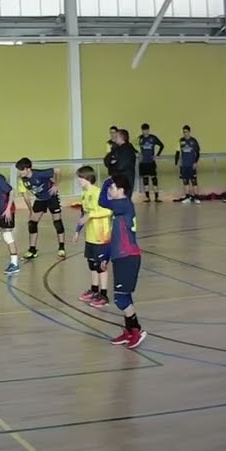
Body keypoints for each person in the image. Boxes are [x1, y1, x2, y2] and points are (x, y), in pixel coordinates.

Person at [99, 175, 146, 349]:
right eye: (110, 188)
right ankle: (129, 331)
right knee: (124, 296)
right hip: (120, 257)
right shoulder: (118, 212)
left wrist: (105, 183)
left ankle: (136, 330)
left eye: (112, 188)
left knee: (120, 299)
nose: (110, 191)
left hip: (128, 257)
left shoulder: (124, 204)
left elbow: (102, 201)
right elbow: (114, 238)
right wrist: (106, 257)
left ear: (121, 191)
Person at [71, 166, 111, 309]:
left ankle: (104, 295)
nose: (78, 181)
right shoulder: (84, 193)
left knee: (101, 266)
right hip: (90, 236)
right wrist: (77, 231)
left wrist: (91, 216)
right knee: (92, 264)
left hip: (101, 236)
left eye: (80, 178)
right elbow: (83, 214)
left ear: (87, 178)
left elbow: (108, 210)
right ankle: (94, 290)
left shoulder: (98, 193)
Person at [15, 158, 65, 261]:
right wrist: (30, 210)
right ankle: (32, 250)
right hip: (40, 199)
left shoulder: (39, 174)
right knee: (32, 223)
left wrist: (56, 184)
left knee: (57, 222)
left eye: (21, 170)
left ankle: (61, 248)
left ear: (28, 169)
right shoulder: (22, 179)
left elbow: (57, 170)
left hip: (52, 196)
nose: (20, 172)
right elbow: (25, 195)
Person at [105, 129, 138, 199]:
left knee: (124, 199)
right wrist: (112, 163)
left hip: (125, 179)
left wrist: (112, 165)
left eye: (116, 136)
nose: (114, 138)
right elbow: (106, 161)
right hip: (116, 178)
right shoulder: (115, 148)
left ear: (122, 137)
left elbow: (121, 166)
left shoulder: (127, 149)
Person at [137, 124, 165, 203]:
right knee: (145, 179)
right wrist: (138, 153)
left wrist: (157, 155)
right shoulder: (140, 138)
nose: (144, 132)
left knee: (154, 178)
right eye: (143, 130)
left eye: (146, 130)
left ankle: (156, 197)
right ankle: (147, 197)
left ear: (148, 130)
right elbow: (132, 146)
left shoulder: (153, 138)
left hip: (151, 162)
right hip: (143, 162)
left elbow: (162, 145)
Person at [174, 125, 201, 204]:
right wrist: (176, 163)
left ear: (189, 132)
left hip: (191, 164)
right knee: (185, 181)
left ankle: (195, 197)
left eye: (186, 132)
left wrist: (195, 162)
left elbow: (198, 153)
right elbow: (177, 153)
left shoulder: (193, 141)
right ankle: (187, 196)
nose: (185, 133)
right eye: (184, 132)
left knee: (193, 181)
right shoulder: (180, 141)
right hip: (184, 165)